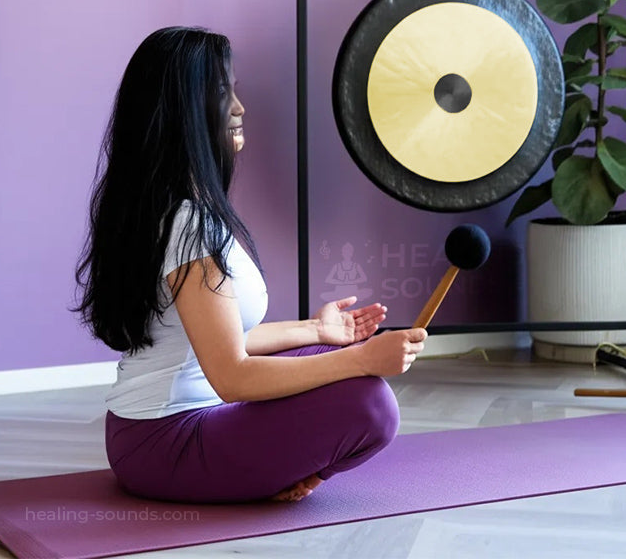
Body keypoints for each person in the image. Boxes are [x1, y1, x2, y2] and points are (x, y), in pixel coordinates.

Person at [73, 26, 427, 504]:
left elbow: (217, 342)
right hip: (165, 442)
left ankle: (289, 468)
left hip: (157, 429)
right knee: (369, 401)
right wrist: (363, 357)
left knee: (335, 368)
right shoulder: (186, 225)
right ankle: (282, 469)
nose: (239, 107)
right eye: (223, 93)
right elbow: (233, 375)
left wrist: (318, 332)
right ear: (183, 112)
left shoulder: (175, 210)